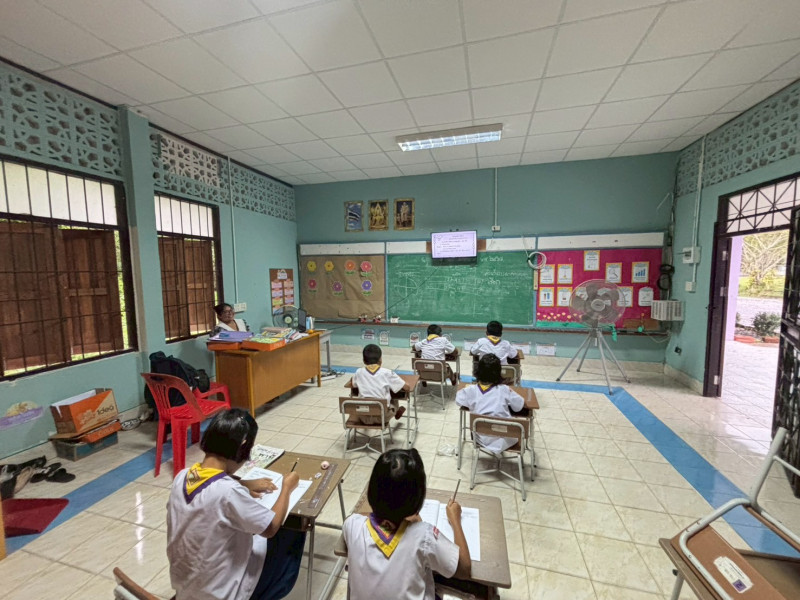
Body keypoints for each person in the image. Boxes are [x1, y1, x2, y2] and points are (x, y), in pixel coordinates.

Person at [167, 409, 304, 600]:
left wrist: (244, 484)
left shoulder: (181, 477)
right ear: (242, 447)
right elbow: (270, 528)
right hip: (223, 593)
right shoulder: (229, 492)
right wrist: (287, 487)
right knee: (292, 526)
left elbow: (210, 489)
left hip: (186, 589)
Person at [342, 449, 471, 600]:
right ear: (418, 498)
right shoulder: (424, 536)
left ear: (372, 489)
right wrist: (455, 520)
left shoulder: (352, 525)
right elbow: (464, 569)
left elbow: (354, 519)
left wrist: (384, 513)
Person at [455, 354, 525, 455]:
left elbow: (458, 401)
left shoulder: (470, 390)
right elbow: (519, 407)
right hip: (505, 438)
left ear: (478, 371)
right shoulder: (504, 389)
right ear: (499, 372)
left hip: (480, 438)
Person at [351, 344, 410, 424]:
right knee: (393, 394)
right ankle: (395, 411)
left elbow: (354, 385)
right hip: (382, 417)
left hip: (363, 416)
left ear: (364, 360)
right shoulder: (387, 373)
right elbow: (407, 388)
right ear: (380, 360)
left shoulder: (358, 372)